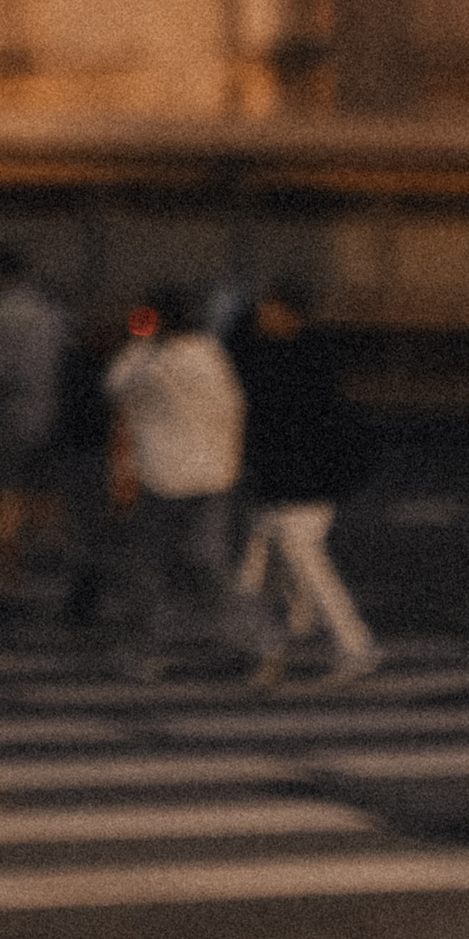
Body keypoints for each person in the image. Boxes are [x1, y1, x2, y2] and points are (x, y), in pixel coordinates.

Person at [226, 279, 378, 683]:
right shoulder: (283, 352)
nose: (262, 314)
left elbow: (296, 427)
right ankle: (277, 645)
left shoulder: (301, 360)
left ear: (286, 311)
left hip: (302, 484)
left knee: (303, 566)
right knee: (260, 571)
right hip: (282, 483)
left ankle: (353, 646)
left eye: (269, 306)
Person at [101, 291, 252, 670]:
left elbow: (115, 388)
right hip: (215, 474)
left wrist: (138, 344)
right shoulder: (211, 354)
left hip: (163, 476)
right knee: (210, 559)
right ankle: (247, 639)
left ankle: (155, 646)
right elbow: (234, 407)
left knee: (150, 564)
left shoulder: (151, 361)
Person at [0, 244, 73, 577]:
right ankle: (55, 562)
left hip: (9, 415)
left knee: (6, 492)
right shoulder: (51, 312)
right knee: (44, 490)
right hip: (50, 412)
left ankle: (7, 567)